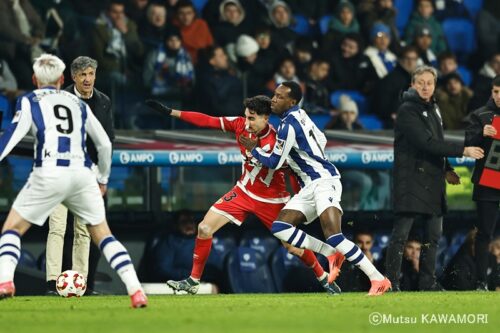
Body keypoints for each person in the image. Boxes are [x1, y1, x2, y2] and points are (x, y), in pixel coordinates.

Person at [146, 95, 341, 295]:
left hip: (273, 200)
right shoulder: (239, 125)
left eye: (252, 118)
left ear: (266, 118)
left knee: (293, 248)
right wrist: (171, 112)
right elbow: (208, 120)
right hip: (244, 192)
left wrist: (303, 201)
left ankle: (324, 277)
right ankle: (193, 281)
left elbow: (295, 173)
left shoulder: (279, 142)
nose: (247, 123)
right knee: (204, 228)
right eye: (246, 117)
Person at [0, 54, 146, 308]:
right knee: (103, 235)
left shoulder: (29, 100)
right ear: (63, 79)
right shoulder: (76, 102)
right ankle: (135, 290)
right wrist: (102, 178)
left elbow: (11, 136)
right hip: (82, 174)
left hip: (49, 172)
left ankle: (4, 280)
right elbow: (104, 143)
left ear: (35, 79)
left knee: (12, 229)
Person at [238, 81, 391, 296]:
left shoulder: (287, 125)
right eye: (274, 95)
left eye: (280, 97)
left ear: (292, 102)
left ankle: (378, 279)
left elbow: (273, 161)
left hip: (324, 182)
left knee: (335, 235)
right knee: (280, 227)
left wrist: (253, 149)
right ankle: (331, 254)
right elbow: (322, 138)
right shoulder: (301, 115)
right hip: (310, 185)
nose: (273, 99)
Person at [386, 65, 485, 291]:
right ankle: (390, 282)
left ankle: (428, 283)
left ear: (434, 86)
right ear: (412, 84)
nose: (425, 87)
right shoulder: (407, 110)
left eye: (429, 83)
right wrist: (463, 150)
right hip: (411, 180)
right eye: (420, 82)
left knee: (433, 236)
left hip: (432, 180)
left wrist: (448, 168)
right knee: (400, 235)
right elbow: (425, 143)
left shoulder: (433, 108)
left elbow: (437, 139)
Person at [45, 56, 115, 295]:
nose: (88, 79)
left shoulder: (104, 101)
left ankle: (80, 282)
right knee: (57, 227)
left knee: (83, 230)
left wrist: (101, 177)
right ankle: (53, 282)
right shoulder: (60, 99)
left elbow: (108, 140)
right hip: (60, 171)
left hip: (88, 175)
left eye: (91, 74)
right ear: (73, 77)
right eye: (83, 74)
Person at [464, 75, 500, 291]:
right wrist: (480, 133)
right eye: (495, 91)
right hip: (487, 183)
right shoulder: (480, 115)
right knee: (485, 233)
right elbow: (467, 144)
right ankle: (481, 282)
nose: (498, 96)